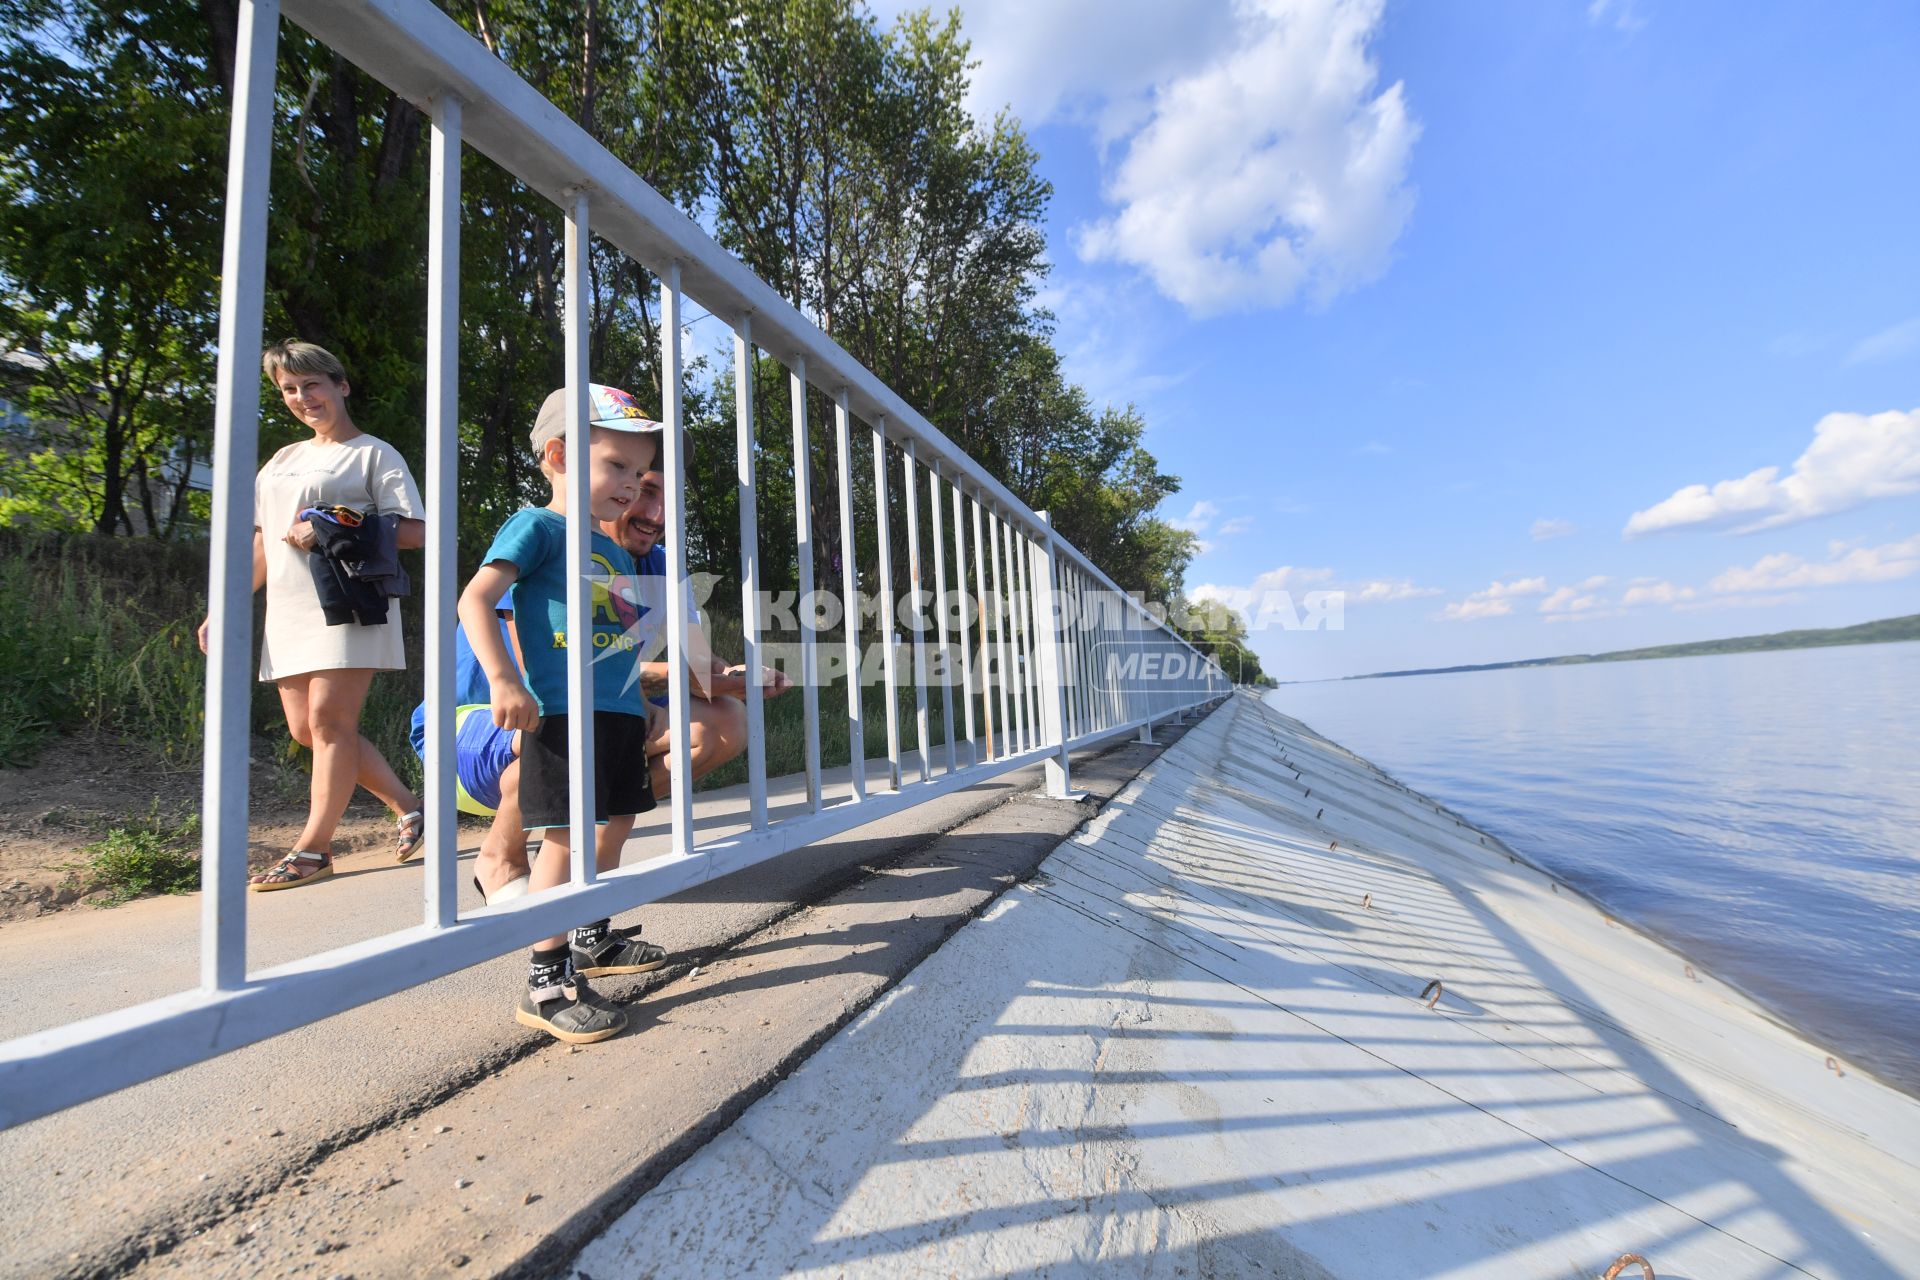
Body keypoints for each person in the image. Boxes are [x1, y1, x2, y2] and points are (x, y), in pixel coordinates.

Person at [408, 384, 790, 906]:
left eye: (654, 485)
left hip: (583, 711)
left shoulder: (658, 567)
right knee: (580, 723)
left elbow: (699, 666)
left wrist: (732, 679)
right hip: (483, 727)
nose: (650, 505)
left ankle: (579, 872)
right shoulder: (546, 538)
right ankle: (502, 857)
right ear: (566, 461)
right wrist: (653, 687)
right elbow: (547, 670)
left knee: (722, 720)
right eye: (635, 480)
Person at [457, 384, 665, 1043]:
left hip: (616, 715)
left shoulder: (610, 550)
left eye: (639, 472)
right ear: (559, 455)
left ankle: (589, 935)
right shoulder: (538, 527)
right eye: (616, 467)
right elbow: (475, 600)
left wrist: (643, 705)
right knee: (568, 838)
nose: (631, 486)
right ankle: (546, 982)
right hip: (564, 714)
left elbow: (620, 640)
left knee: (619, 821)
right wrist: (503, 679)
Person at [199, 340, 426, 891]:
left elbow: (417, 531)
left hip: (348, 605)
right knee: (309, 730)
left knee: (329, 722)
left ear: (341, 385)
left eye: (313, 384)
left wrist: (334, 524)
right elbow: (262, 543)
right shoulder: (282, 460)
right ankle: (412, 807)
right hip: (289, 611)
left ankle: (314, 848)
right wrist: (225, 606)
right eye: (290, 389)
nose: (303, 397)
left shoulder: (374, 454)